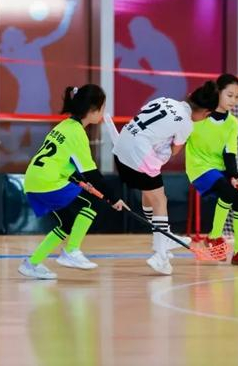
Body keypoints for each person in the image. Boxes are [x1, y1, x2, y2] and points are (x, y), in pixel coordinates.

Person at [18, 84, 125, 279]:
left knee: (66, 223)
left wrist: (78, 181)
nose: (103, 112)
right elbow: (92, 173)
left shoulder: (64, 126)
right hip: (48, 181)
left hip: (34, 180)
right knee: (92, 203)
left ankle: (31, 264)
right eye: (102, 107)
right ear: (92, 109)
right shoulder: (77, 133)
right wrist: (114, 198)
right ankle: (72, 250)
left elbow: (64, 162)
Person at [113, 81, 219, 275]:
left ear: (190, 96)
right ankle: (160, 254)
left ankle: (164, 237)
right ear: (206, 113)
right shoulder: (186, 124)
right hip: (139, 156)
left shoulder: (165, 100)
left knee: (150, 193)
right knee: (160, 201)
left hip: (120, 148)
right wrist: (164, 149)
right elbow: (175, 151)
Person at [185, 73, 238, 266]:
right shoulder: (198, 116)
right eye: (229, 95)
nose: (234, 100)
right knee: (227, 192)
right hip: (199, 167)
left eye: (237, 97)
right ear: (218, 93)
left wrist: (234, 175)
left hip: (220, 168)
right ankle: (214, 237)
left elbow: (229, 152)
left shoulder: (232, 123)